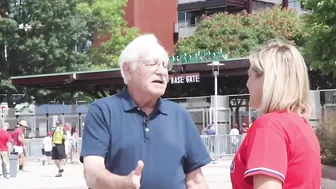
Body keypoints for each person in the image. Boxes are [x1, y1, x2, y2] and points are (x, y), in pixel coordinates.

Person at [80, 34, 211, 189]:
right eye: (152, 64)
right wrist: (124, 184)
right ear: (128, 69)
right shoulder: (103, 111)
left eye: (165, 65)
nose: (162, 72)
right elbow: (92, 174)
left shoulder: (179, 115)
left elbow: (196, 180)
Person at [230, 40, 321, 189]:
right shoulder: (301, 125)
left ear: (267, 80)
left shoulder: (269, 126)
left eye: (250, 76)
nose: (247, 84)